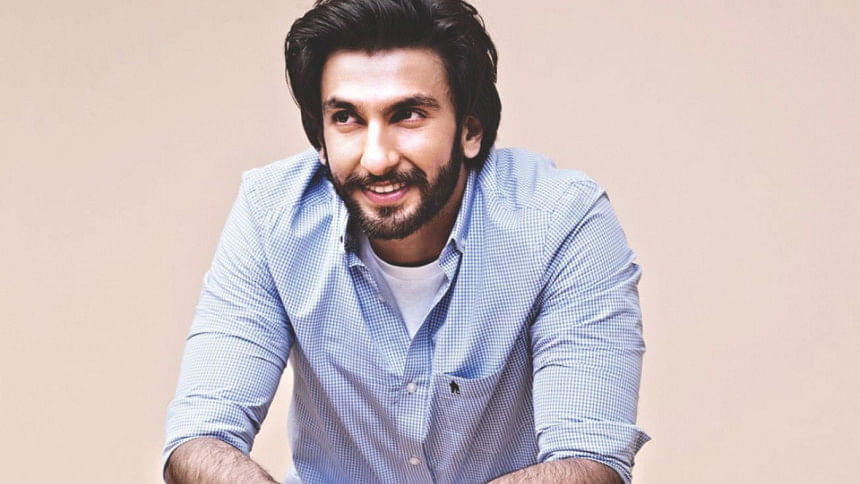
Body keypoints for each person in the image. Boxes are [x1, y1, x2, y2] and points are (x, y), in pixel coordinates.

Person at [162, 0, 649, 482]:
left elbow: (590, 461)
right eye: (347, 118)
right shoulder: (272, 214)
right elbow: (200, 439)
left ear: (470, 131)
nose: (376, 159)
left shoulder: (560, 220)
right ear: (320, 138)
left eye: (408, 115)